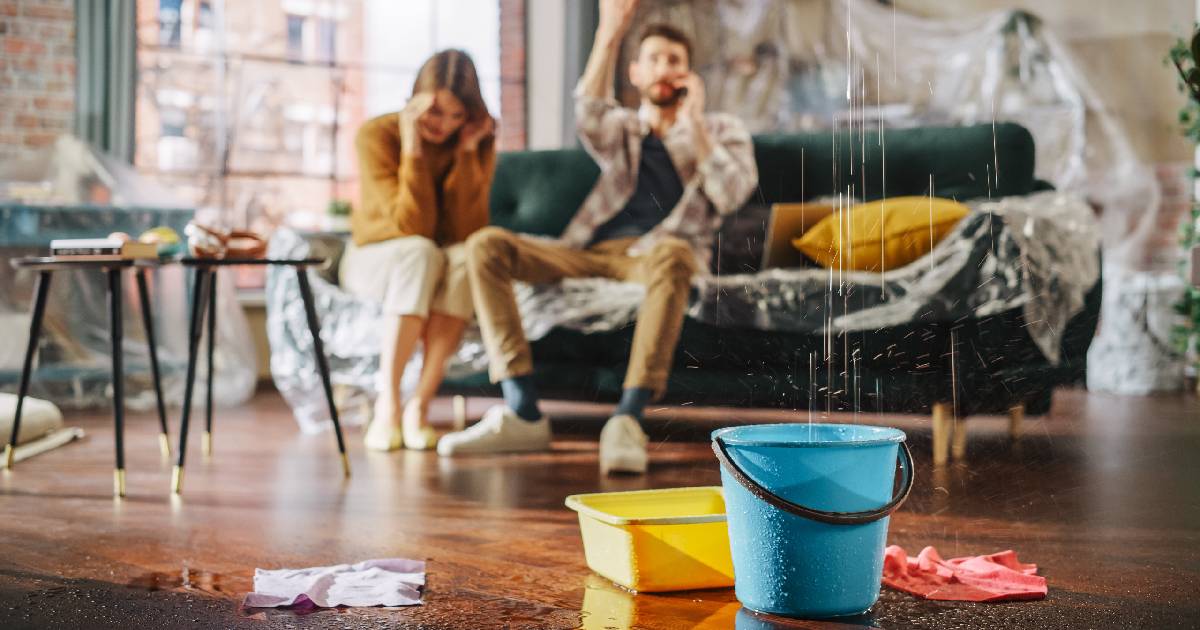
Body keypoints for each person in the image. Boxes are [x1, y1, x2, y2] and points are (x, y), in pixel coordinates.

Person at [437, 0, 758, 474]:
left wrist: (695, 126)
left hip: (657, 257)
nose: (664, 68)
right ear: (635, 73)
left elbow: (731, 194)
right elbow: (588, 110)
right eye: (654, 59)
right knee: (487, 246)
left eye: (675, 61)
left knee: (674, 253)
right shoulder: (624, 129)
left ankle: (627, 419)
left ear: (690, 75)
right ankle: (522, 408)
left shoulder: (721, 129)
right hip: (588, 252)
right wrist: (610, 32)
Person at [341, 49, 496, 451]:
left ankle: (419, 406)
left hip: (435, 260)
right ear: (413, 102)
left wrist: (466, 153)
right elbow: (412, 226)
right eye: (434, 113)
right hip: (375, 259)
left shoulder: (473, 140)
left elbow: (467, 229)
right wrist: (412, 147)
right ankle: (388, 405)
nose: (443, 126)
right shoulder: (376, 134)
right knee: (419, 251)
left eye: (456, 115)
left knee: (466, 257)